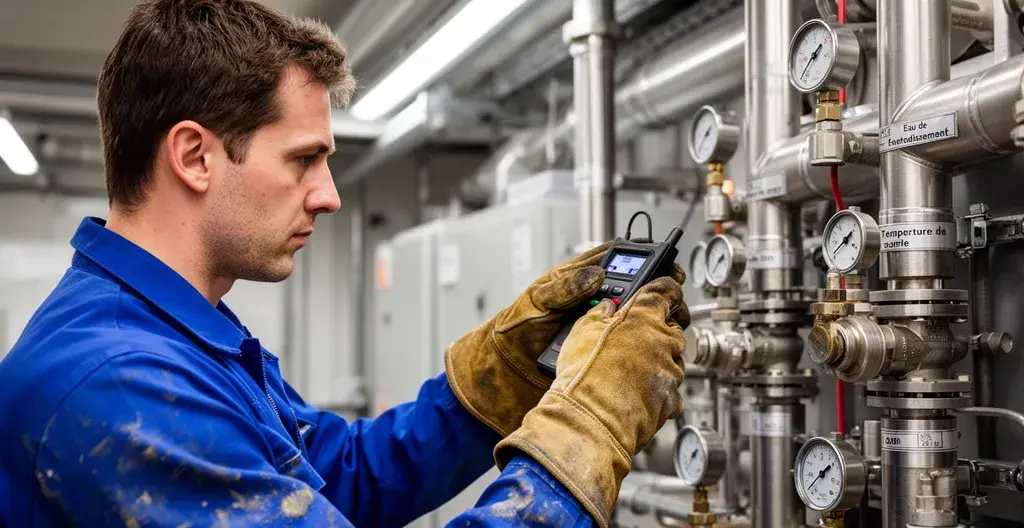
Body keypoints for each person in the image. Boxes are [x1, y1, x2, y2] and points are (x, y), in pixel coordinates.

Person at [0, 1, 690, 526]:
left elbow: (345, 475)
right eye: (304, 159)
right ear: (194, 156)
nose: (328, 196)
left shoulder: (184, 336)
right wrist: (586, 431)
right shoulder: (121, 385)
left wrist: (499, 373)